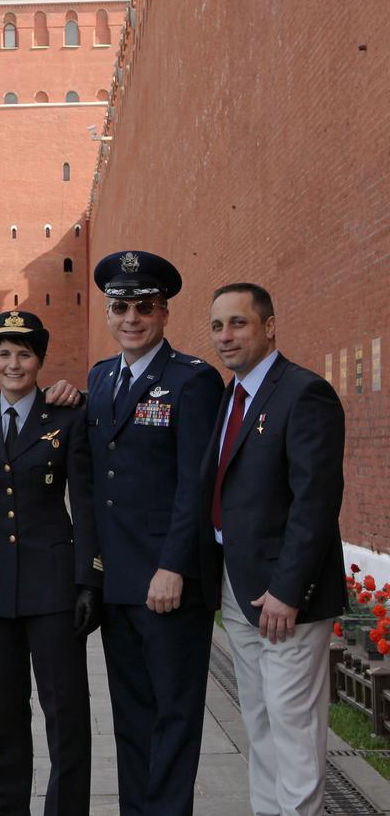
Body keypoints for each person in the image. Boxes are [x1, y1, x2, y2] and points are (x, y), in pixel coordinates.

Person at [47, 250, 222, 816]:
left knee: (173, 716)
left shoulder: (192, 381)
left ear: (164, 313)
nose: (131, 318)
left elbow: (197, 486)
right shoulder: (99, 379)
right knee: (131, 714)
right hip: (117, 582)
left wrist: (174, 566)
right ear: (107, 312)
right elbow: (94, 483)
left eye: (143, 307)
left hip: (169, 583)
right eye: (120, 306)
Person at [0, 310, 101, 816]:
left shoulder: (68, 418)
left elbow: (86, 502)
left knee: (66, 716)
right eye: (4, 354)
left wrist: (87, 581)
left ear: (39, 361)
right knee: (5, 718)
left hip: (54, 589)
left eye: (25, 354)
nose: (14, 364)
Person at [199, 283, 345, 816]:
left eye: (238, 323)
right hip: (239, 591)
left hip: (284, 599)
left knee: (294, 729)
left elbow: (316, 500)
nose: (225, 336)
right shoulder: (231, 395)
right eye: (217, 326)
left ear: (269, 326)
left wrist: (288, 591)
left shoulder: (303, 392)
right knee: (259, 724)